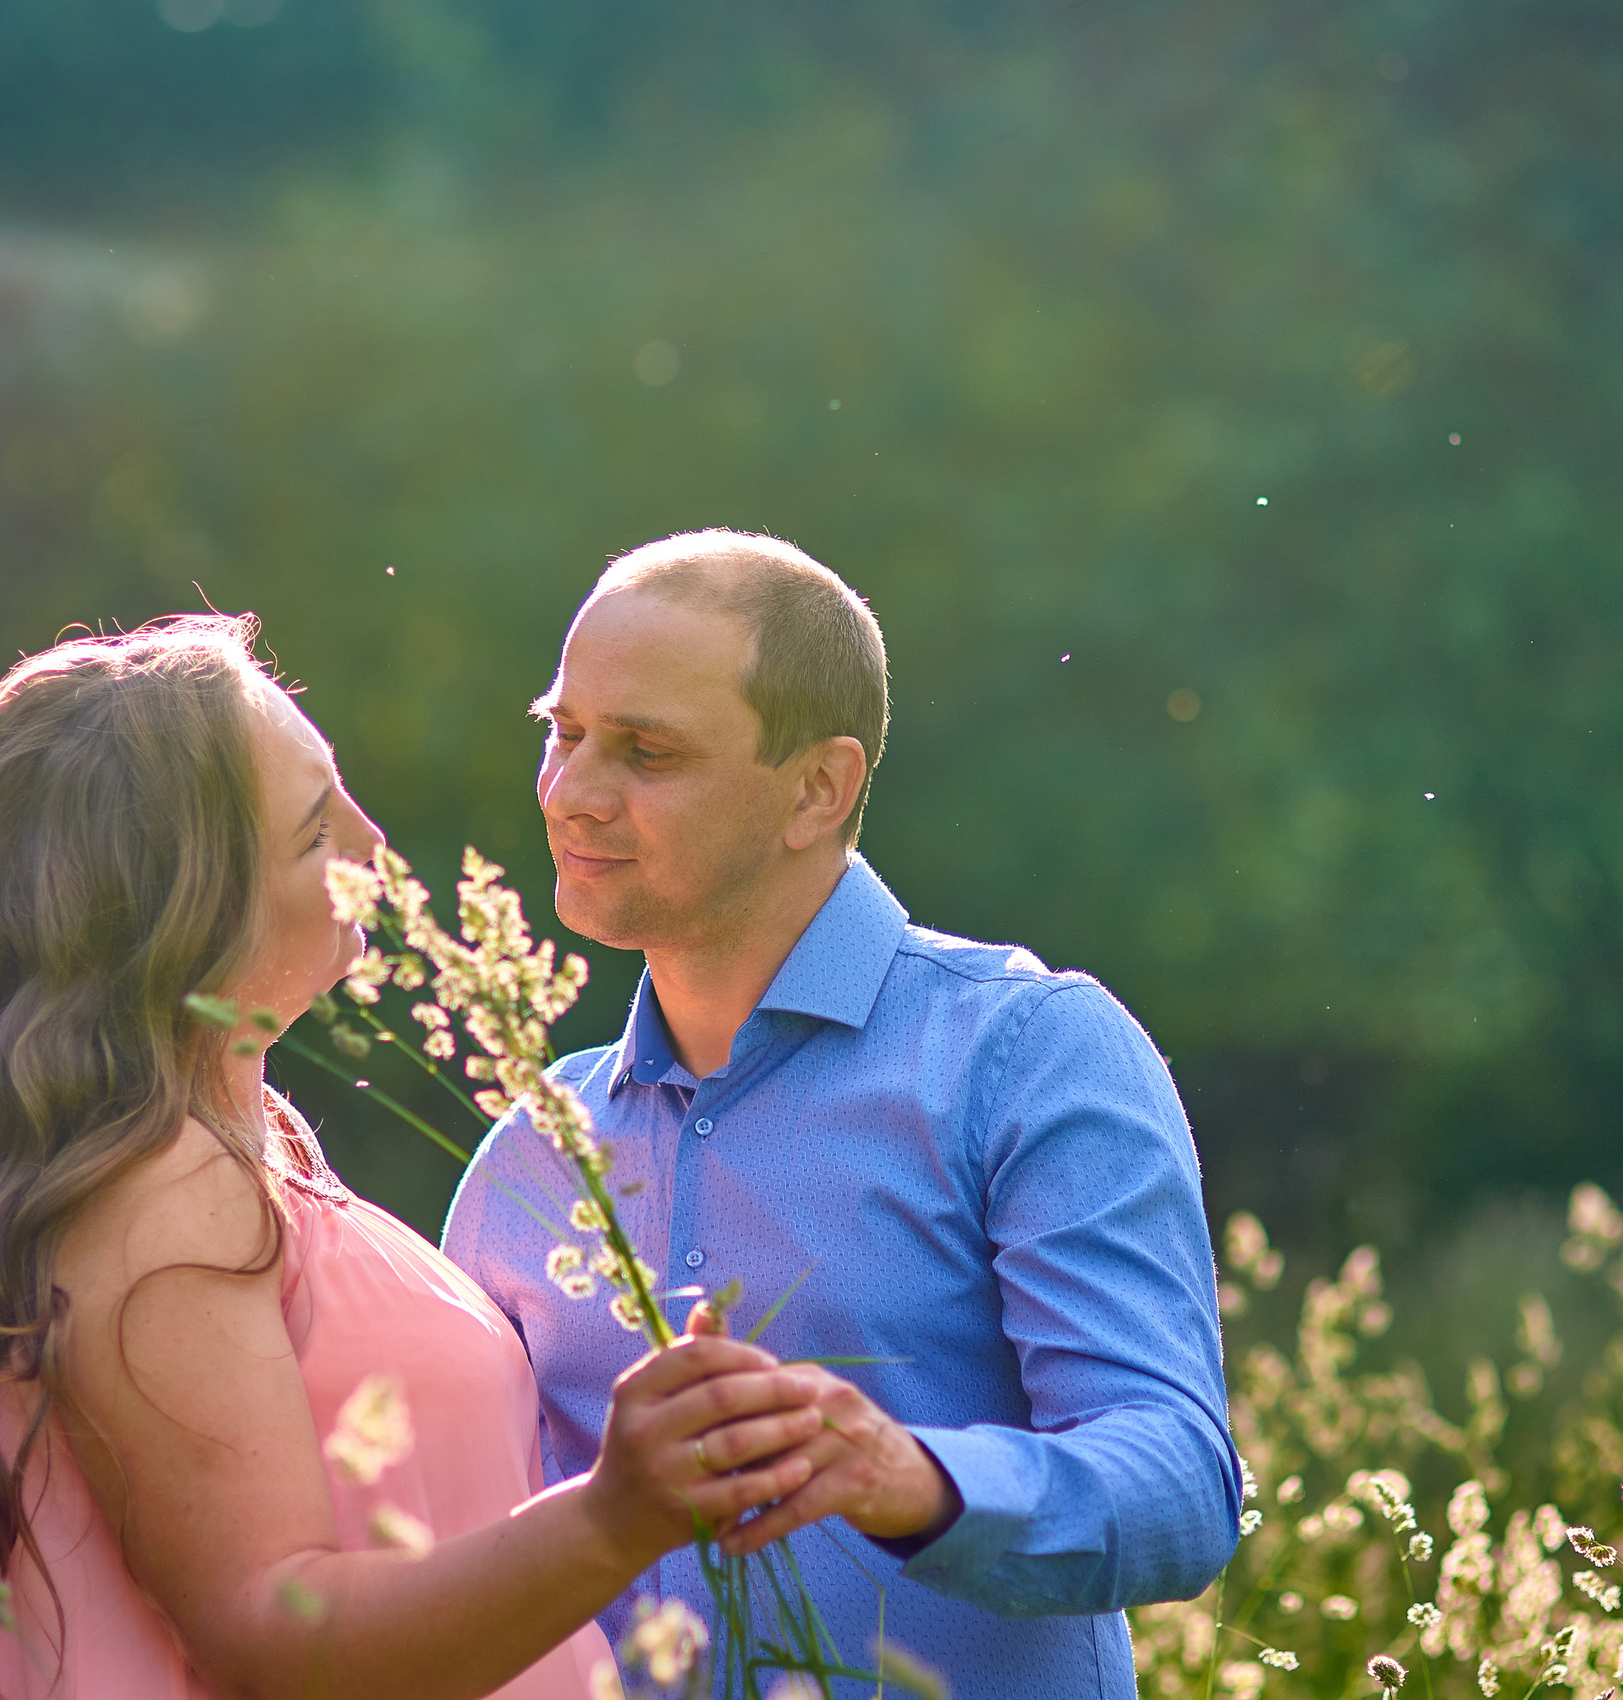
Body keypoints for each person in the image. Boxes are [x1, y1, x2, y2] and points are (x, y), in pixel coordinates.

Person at [0, 614, 833, 1700]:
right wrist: (617, 1514)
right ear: (186, 915)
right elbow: (271, 1635)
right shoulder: (157, 1191)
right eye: (314, 831)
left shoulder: (239, 1154)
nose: (374, 846)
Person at [444, 532, 1243, 1698]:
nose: (572, 793)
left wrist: (911, 1478)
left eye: (645, 752)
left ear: (819, 787)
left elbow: (1178, 1488)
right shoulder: (532, 1144)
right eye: (561, 733)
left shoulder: (1026, 1053)